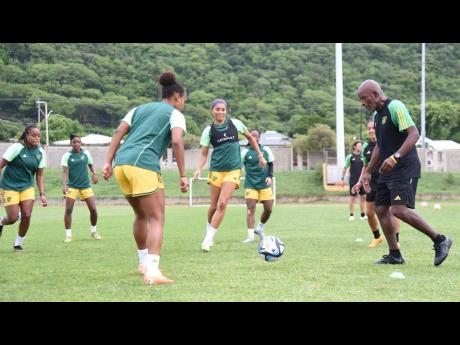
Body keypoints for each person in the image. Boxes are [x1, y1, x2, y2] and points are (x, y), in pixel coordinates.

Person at [102, 71, 188, 285]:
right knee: (156, 218)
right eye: (184, 99)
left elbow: (118, 132)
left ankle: (143, 263)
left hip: (121, 164)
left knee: (141, 215)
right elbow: (177, 142)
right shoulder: (174, 113)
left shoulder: (138, 109)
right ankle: (153, 270)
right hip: (143, 164)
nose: (183, 103)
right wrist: (183, 175)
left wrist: (107, 162)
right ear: (177, 96)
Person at [358, 79, 452, 265]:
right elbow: (380, 146)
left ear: (375, 94)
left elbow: (414, 134)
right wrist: (368, 171)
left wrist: (396, 157)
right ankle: (395, 255)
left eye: (364, 98)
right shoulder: (377, 116)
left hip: (404, 167)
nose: (363, 103)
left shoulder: (396, 107)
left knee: (399, 210)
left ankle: (440, 240)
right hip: (388, 171)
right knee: (380, 209)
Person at [193, 99, 266, 252]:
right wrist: (198, 168)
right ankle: (209, 231)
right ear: (212, 111)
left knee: (222, 204)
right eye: (217, 109)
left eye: (223, 109)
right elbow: (204, 153)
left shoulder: (236, 124)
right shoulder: (209, 131)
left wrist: (260, 155)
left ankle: (208, 239)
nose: (220, 112)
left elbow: (250, 138)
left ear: (226, 111)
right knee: (213, 205)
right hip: (216, 170)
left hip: (233, 170)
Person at [353, 119, 400, 248]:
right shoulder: (365, 147)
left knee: (392, 211)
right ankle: (377, 237)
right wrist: (359, 181)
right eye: (368, 128)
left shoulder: (387, 142)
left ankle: (396, 240)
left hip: (389, 180)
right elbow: (365, 166)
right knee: (369, 212)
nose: (371, 130)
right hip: (372, 182)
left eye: (373, 127)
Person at [0, 125, 48, 251]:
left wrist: (42, 193)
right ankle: (1, 222)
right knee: (13, 218)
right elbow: (1, 166)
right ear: (27, 136)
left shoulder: (41, 152)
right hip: (9, 186)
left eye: (39, 136)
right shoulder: (17, 148)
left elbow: (39, 175)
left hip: (27, 187)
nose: (37, 138)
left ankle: (18, 244)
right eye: (34, 135)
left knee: (26, 215)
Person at [61, 134, 101, 242]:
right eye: (74, 142)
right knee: (68, 209)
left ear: (81, 143)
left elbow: (90, 165)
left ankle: (93, 231)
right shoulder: (67, 155)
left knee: (93, 209)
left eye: (78, 142)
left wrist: (94, 173)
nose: (76, 144)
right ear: (71, 143)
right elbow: (65, 172)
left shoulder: (86, 153)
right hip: (72, 186)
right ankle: (68, 235)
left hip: (85, 185)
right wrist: (64, 185)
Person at [241, 129, 275, 243]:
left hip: (264, 185)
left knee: (269, 208)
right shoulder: (245, 152)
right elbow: (238, 166)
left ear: (259, 138)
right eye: (252, 135)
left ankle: (260, 228)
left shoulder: (266, 149)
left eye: (257, 135)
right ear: (248, 137)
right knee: (250, 210)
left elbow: (271, 164)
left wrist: (270, 176)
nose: (255, 137)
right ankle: (250, 236)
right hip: (251, 184)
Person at [341, 141, 367, 221]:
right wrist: (342, 179)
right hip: (353, 180)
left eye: (361, 146)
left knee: (363, 197)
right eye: (359, 146)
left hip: (362, 181)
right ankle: (351, 215)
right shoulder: (350, 157)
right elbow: (345, 168)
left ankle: (363, 215)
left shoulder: (364, 156)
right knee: (352, 198)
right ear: (354, 147)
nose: (361, 147)